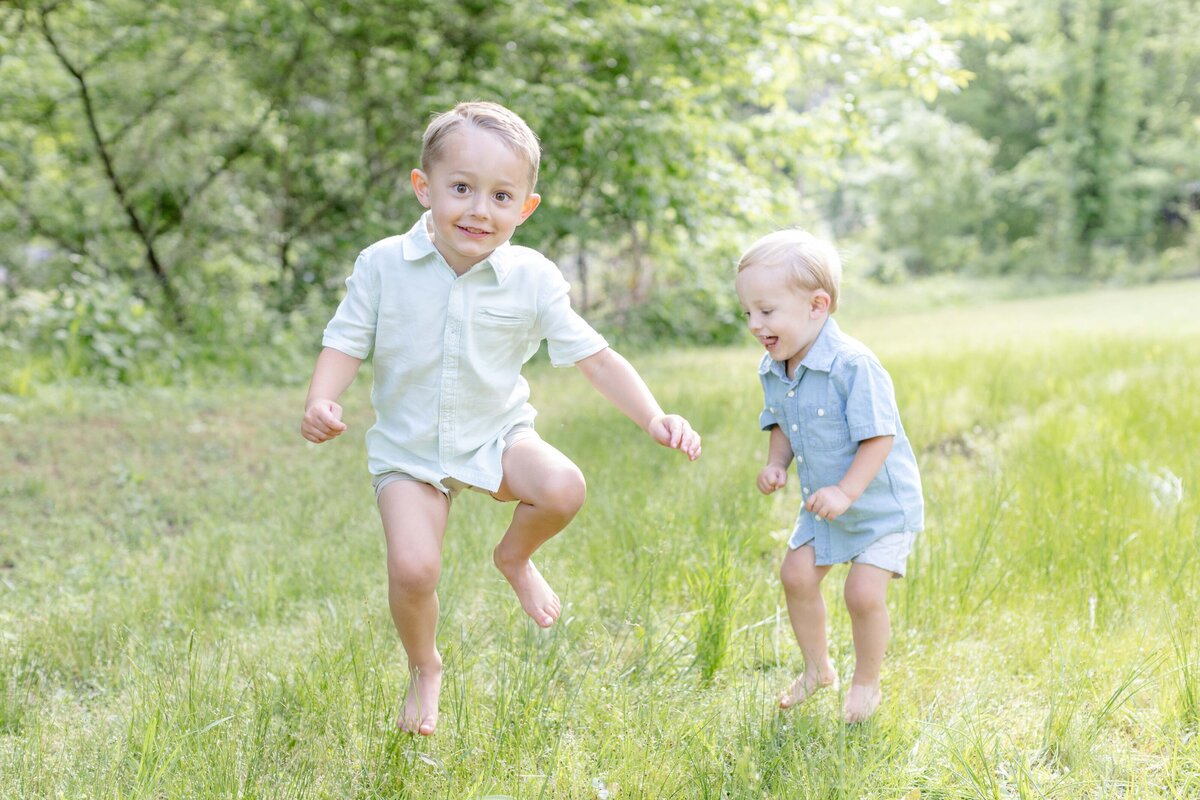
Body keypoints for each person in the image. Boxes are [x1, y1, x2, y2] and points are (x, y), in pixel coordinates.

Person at [300, 101, 702, 736]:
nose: (478, 210)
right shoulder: (382, 265)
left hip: (496, 436)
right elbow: (346, 339)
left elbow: (596, 359)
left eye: (500, 195)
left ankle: (513, 559)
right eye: (461, 188)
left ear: (526, 208)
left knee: (564, 487)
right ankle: (425, 666)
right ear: (422, 187)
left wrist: (653, 416)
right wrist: (323, 398)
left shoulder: (532, 278)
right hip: (410, 451)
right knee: (413, 569)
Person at [735, 229, 923, 723]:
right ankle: (818, 669)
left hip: (880, 505)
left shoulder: (853, 365)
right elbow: (783, 421)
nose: (755, 324)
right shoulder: (774, 367)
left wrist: (847, 491)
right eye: (748, 313)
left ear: (818, 305)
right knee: (795, 574)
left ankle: (866, 684)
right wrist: (777, 463)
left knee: (861, 593)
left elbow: (878, 438)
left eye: (767, 311)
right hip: (825, 505)